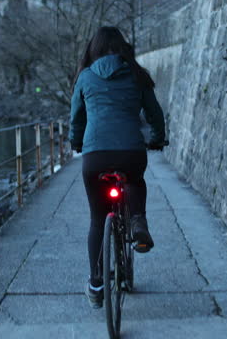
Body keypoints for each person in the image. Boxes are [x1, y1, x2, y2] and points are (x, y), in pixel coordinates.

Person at [69, 26, 167, 309]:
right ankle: (137, 221)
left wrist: (77, 143)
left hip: (95, 156)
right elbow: (154, 114)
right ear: (123, 48)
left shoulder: (85, 77)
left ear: (94, 49)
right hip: (131, 152)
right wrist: (157, 139)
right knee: (135, 180)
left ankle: (96, 283)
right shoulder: (137, 75)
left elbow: (76, 117)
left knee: (98, 219)